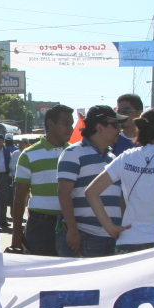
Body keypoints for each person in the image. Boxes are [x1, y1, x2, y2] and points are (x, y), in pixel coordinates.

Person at [84, 109, 154, 253]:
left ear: (140, 131)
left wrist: (109, 226)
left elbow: (91, 191)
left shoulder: (126, 157)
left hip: (128, 240)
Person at [56, 105, 125, 257]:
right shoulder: (73, 153)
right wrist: (73, 231)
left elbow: (119, 197)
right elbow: (63, 193)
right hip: (84, 236)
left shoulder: (112, 158)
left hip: (112, 236)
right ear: (100, 127)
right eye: (115, 125)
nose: (119, 130)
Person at [12, 105, 75, 256]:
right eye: (66, 124)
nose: (70, 129)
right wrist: (16, 231)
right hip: (41, 227)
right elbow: (20, 196)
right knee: (41, 275)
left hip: (71, 225)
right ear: (51, 123)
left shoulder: (75, 153)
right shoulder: (28, 155)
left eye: (71, 124)